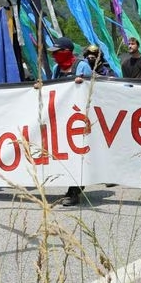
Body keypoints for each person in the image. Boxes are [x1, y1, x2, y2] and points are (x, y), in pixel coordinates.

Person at [46, 36, 91, 206]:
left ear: (67, 52)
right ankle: (72, 187)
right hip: (62, 118)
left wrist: (83, 83)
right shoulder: (57, 68)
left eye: (56, 53)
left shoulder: (82, 66)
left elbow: (94, 87)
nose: (53, 56)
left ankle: (74, 190)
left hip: (80, 119)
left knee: (78, 154)